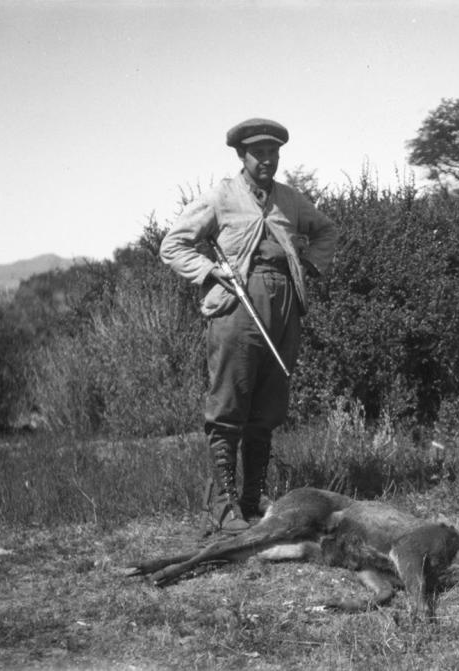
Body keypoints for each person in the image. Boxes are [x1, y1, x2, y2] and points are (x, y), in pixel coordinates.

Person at [161, 118, 337, 533]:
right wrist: (207, 271)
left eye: (274, 153)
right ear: (242, 156)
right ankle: (221, 504)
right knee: (228, 406)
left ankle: (252, 496)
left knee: (269, 407)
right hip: (237, 308)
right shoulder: (221, 196)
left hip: (285, 308)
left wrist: (309, 264)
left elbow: (326, 230)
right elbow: (173, 244)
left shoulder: (291, 200)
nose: (267, 161)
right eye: (259, 154)